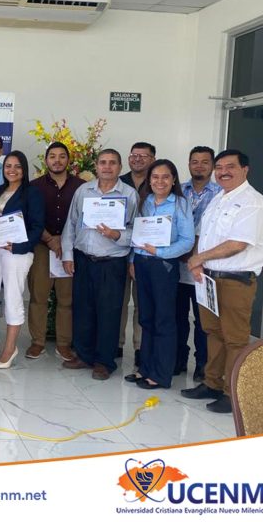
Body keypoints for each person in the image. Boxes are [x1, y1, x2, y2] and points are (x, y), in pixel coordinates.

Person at [183, 149, 263, 413]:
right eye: (220, 167)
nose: (223, 172)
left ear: (245, 170)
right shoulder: (220, 198)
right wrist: (198, 263)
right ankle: (212, 383)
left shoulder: (253, 204)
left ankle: (233, 394)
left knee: (235, 339)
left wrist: (199, 257)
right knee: (213, 333)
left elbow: (237, 244)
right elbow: (205, 236)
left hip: (235, 281)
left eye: (230, 167)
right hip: (210, 279)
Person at [61, 149, 139, 380]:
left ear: (120, 167)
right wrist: (68, 255)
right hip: (84, 258)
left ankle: (104, 362)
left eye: (112, 163)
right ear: (96, 166)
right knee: (83, 310)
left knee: (109, 312)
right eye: (103, 162)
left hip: (112, 262)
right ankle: (84, 355)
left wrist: (118, 235)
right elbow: (71, 224)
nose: (107, 167)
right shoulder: (84, 191)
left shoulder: (130, 194)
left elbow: (137, 230)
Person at [125, 160, 194, 389]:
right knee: (146, 317)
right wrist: (133, 260)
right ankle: (145, 368)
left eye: (165, 177)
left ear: (173, 180)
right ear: (149, 180)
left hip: (164, 266)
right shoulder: (145, 202)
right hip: (142, 264)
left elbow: (187, 241)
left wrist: (160, 252)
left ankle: (161, 374)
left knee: (163, 319)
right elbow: (137, 235)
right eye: (155, 177)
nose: (160, 181)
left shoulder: (180, 204)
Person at [0, 151, 44, 369]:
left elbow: (37, 226)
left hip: (17, 252)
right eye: (8, 166)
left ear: (24, 170)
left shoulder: (32, 193)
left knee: (13, 297)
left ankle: (9, 348)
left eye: (17, 166)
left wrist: (19, 246)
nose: (12, 170)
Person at [27, 141, 84, 361]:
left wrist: (64, 239)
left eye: (62, 156)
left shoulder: (82, 186)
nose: (57, 160)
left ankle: (64, 344)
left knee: (66, 298)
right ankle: (37, 342)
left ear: (68, 160)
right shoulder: (33, 186)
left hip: (69, 248)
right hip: (42, 246)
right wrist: (50, 239)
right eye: (52, 156)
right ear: (46, 160)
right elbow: (29, 217)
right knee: (38, 296)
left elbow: (85, 217)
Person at [175, 146, 221, 381]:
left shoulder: (221, 193)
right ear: (189, 164)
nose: (199, 166)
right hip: (177, 266)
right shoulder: (178, 190)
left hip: (206, 269)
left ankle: (203, 364)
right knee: (177, 317)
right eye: (195, 161)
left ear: (212, 166)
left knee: (205, 321)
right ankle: (178, 359)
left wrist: (194, 250)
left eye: (205, 162)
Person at [119, 141, 156, 365]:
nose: (138, 159)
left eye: (144, 156)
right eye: (134, 155)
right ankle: (117, 344)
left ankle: (140, 347)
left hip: (146, 253)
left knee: (142, 304)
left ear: (153, 160)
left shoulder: (158, 183)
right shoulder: (119, 182)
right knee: (118, 302)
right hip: (119, 251)